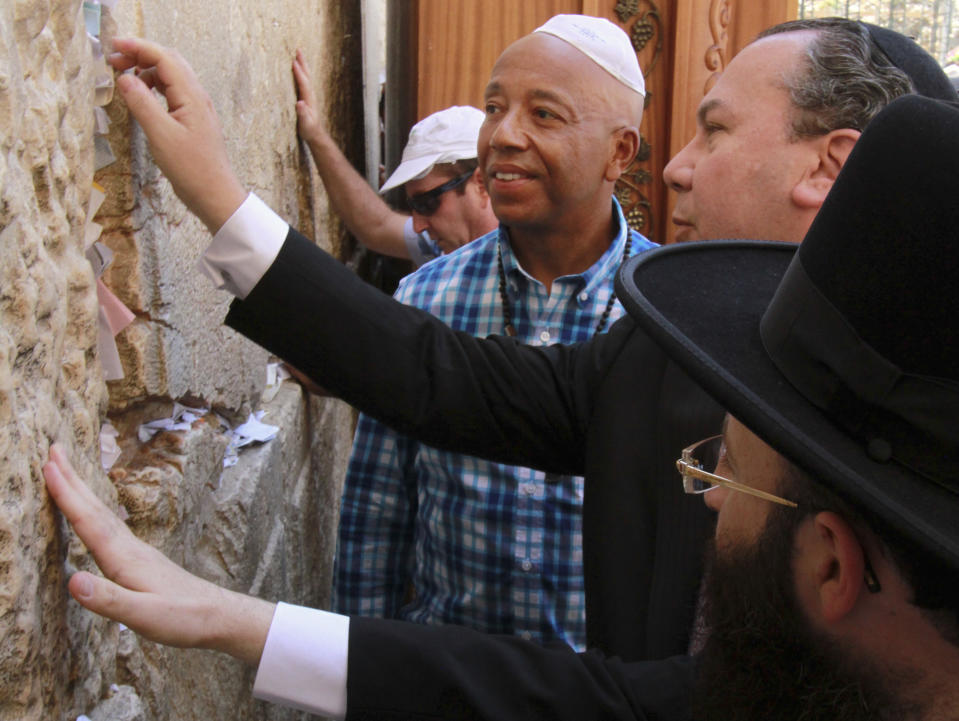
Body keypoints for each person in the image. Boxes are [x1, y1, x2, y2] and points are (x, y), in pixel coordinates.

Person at [47, 92, 959, 720]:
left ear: (835, 565)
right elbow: (439, 379)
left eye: (713, 131)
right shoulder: (644, 357)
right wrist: (219, 195)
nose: (680, 166)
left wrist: (234, 621)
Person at [332, 14, 653, 651]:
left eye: (544, 115)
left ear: (620, 152)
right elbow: (376, 518)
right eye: (494, 108)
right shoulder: (424, 297)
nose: (504, 136)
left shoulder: (666, 319)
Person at [293, 52, 496, 264]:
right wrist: (316, 135)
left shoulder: (528, 254)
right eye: (414, 205)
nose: (419, 226)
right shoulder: (452, 244)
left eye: (427, 204)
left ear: (480, 184)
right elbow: (376, 226)